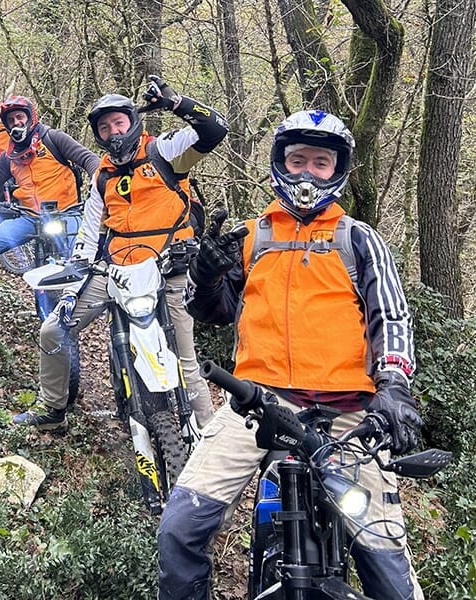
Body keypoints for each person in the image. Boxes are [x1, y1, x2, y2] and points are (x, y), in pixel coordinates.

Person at [157, 109, 425, 600]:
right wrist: (208, 273)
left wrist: (395, 387)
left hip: (350, 417)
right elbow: (212, 312)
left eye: (320, 162)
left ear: (338, 169)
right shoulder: (250, 236)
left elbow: (391, 315)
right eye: (297, 159)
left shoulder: (358, 239)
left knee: (389, 572)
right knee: (179, 530)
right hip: (257, 405)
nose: (306, 172)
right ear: (279, 162)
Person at [12, 76, 226, 433]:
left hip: (170, 267)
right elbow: (89, 229)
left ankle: (209, 445)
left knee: (186, 360)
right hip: (116, 271)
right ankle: (53, 408)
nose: (113, 132)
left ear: (132, 121)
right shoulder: (102, 176)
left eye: (119, 123)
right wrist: (75, 277)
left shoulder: (165, 151)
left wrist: (176, 103)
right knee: (53, 330)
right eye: (104, 127)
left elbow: (215, 128)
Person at [0, 95, 99, 327]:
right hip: (29, 218)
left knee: (87, 257)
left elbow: (89, 159)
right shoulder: (9, 156)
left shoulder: (54, 139)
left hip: (68, 213)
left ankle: (96, 306)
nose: (17, 122)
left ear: (31, 117)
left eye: (20, 117)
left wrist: (99, 184)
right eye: (11, 120)